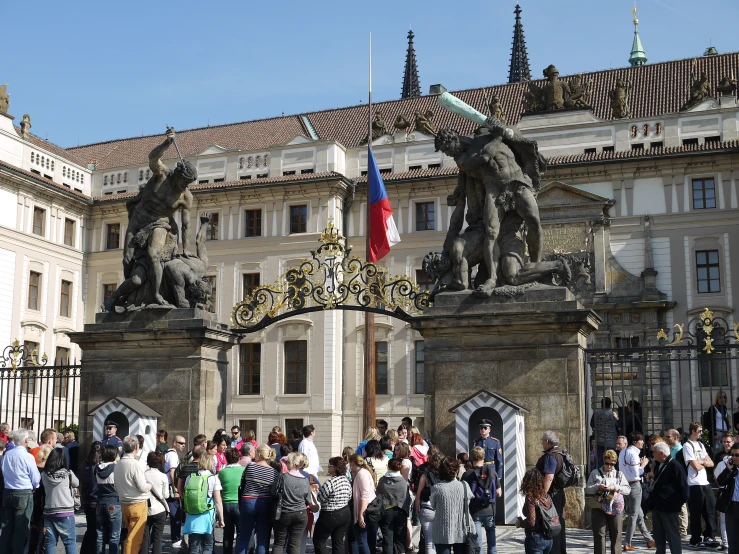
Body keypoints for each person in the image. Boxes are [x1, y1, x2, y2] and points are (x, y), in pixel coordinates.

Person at [0, 429, 41, 553]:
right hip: (23, 492)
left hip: (8, 491)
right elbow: (35, 477)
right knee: (21, 528)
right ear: (26, 440)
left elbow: (3, 471)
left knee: (6, 527)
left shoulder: (7, 454)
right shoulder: (27, 456)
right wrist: (35, 485)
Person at [585, 449, 630, 554]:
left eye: (612, 464)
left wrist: (615, 487)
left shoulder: (619, 474)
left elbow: (627, 489)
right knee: (600, 534)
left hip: (615, 507)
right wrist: (597, 486)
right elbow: (587, 489)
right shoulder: (595, 473)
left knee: (616, 533)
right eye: (607, 463)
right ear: (603, 461)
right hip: (599, 507)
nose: (609, 466)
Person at [683, 421, 720, 548]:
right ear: (692, 431)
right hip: (694, 483)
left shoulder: (700, 444)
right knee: (696, 512)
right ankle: (696, 538)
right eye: (699, 431)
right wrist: (703, 463)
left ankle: (710, 535)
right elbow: (695, 466)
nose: (701, 433)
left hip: (705, 482)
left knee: (710, 510)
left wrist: (702, 462)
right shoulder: (687, 446)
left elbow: (711, 463)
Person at [235, 444, 278, 554]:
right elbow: (274, 492)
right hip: (265, 503)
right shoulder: (274, 472)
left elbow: (242, 483)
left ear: (258, 454)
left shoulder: (250, 466)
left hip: (247, 501)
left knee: (244, 537)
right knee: (262, 539)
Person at [114, 435, 152, 554]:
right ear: (136, 446)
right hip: (137, 503)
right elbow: (142, 486)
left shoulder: (118, 464)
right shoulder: (135, 464)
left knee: (128, 535)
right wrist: (150, 485)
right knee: (135, 538)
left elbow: (116, 486)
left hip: (124, 503)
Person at [271, 452, 314, 554]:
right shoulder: (305, 480)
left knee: (279, 543)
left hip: (284, 513)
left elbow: (273, 492)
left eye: (288, 462)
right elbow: (308, 500)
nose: (286, 464)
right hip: (301, 514)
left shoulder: (283, 477)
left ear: (293, 464)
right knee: (295, 545)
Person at [650, 441, 689, 554]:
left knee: (672, 534)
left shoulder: (675, 465)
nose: (653, 455)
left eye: (655, 453)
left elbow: (684, 487)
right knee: (658, 534)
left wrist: (679, 502)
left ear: (662, 453)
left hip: (669, 506)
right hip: (657, 505)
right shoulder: (658, 464)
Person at [182, 452, 224, 554]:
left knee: (194, 547)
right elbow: (218, 501)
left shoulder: (190, 477)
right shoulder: (213, 478)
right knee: (208, 545)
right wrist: (221, 519)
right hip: (207, 515)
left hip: (192, 515)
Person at [618, 432, 654, 550]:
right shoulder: (633, 454)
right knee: (634, 515)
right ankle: (627, 543)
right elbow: (636, 473)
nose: (643, 442)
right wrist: (643, 465)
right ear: (635, 442)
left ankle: (649, 540)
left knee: (639, 514)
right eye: (641, 440)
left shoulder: (623, 452)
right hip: (634, 485)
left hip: (625, 485)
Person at [429, 457, 473, 554]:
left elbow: (433, 506)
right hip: (461, 529)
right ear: (456, 471)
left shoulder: (437, 488)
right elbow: (468, 502)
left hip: (442, 531)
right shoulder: (464, 486)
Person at [462, 446, 501, 554]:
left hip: (474, 511)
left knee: (478, 544)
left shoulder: (467, 474)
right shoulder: (492, 472)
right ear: (484, 457)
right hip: (490, 510)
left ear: (471, 458)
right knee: (492, 545)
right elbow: (499, 493)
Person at [41, 447, 79, 554]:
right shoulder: (68, 474)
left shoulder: (44, 475)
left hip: (49, 510)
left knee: (50, 542)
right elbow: (77, 483)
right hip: (65, 511)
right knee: (70, 542)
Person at [535, 431, 567, 554]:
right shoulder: (561, 453)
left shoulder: (551, 456)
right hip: (559, 493)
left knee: (551, 523)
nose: (542, 443)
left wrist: (542, 495)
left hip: (552, 494)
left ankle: (554, 551)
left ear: (547, 441)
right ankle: (560, 550)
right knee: (558, 522)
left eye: (542, 440)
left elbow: (549, 477)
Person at [313, 456, 352, 554]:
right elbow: (349, 496)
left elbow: (320, 499)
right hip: (345, 513)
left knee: (319, 540)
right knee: (338, 542)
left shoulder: (330, 482)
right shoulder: (346, 480)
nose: (328, 467)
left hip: (330, 515)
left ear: (335, 468)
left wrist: (316, 492)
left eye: (329, 466)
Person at [376, 458, 411, 554]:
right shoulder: (403, 481)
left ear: (388, 466)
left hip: (386, 512)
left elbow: (378, 495)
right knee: (400, 540)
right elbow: (407, 498)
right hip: (401, 512)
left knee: (387, 540)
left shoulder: (383, 480)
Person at [517, 468, 554, 554]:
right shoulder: (546, 497)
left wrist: (520, 523)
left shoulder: (531, 498)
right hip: (548, 538)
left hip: (536, 539)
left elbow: (531, 521)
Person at [348, 454, 378, 554]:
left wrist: (360, 515)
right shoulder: (361, 473)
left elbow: (364, 496)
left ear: (352, 463)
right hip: (364, 509)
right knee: (360, 540)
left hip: (364, 510)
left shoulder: (362, 474)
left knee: (362, 541)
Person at [95, 445, 121, 554]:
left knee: (99, 535)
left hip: (100, 502)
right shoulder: (116, 468)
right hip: (114, 502)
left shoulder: (97, 468)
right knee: (114, 536)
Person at [142, 451, 170, 554]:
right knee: (157, 539)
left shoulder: (143, 474)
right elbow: (166, 495)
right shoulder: (163, 476)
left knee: (144, 538)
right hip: (159, 509)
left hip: (145, 509)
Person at [218, 448, 244, 554]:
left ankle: (227, 552)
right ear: (238, 458)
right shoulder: (244, 470)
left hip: (225, 504)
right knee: (240, 532)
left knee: (227, 533)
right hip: (239, 503)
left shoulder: (222, 472)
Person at [164, 434, 186, 549]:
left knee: (165, 514)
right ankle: (175, 539)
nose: (183, 445)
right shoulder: (172, 455)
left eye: (184, 443)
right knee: (175, 513)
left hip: (166, 486)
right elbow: (172, 473)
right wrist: (175, 488)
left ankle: (154, 540)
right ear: (174, 443)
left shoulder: (169, 454)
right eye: (181, 443)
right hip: (170, 487)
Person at [716, 442, 739, 554]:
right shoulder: (731, 469)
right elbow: (720, 482)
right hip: (732, 506)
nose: (734, 458)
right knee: (732, 541)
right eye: (732, 455)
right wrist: (728, 469)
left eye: (737, 455)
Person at [80, 441, 102, 554]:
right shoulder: (98, 466)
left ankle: (85, 551)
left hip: (87, 499)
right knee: (96, 531)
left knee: (90, 528)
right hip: (95, 499)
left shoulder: (85, 464)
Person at [591, 398, 619, 469]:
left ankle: (599, 475)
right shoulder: (612, 414)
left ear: (601, 404)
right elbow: (618, 425)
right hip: (610, 441)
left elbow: (592, 424)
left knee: (600, 460)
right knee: (611, 459)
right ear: (610, 405)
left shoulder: (596, 413)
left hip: (599, 440)